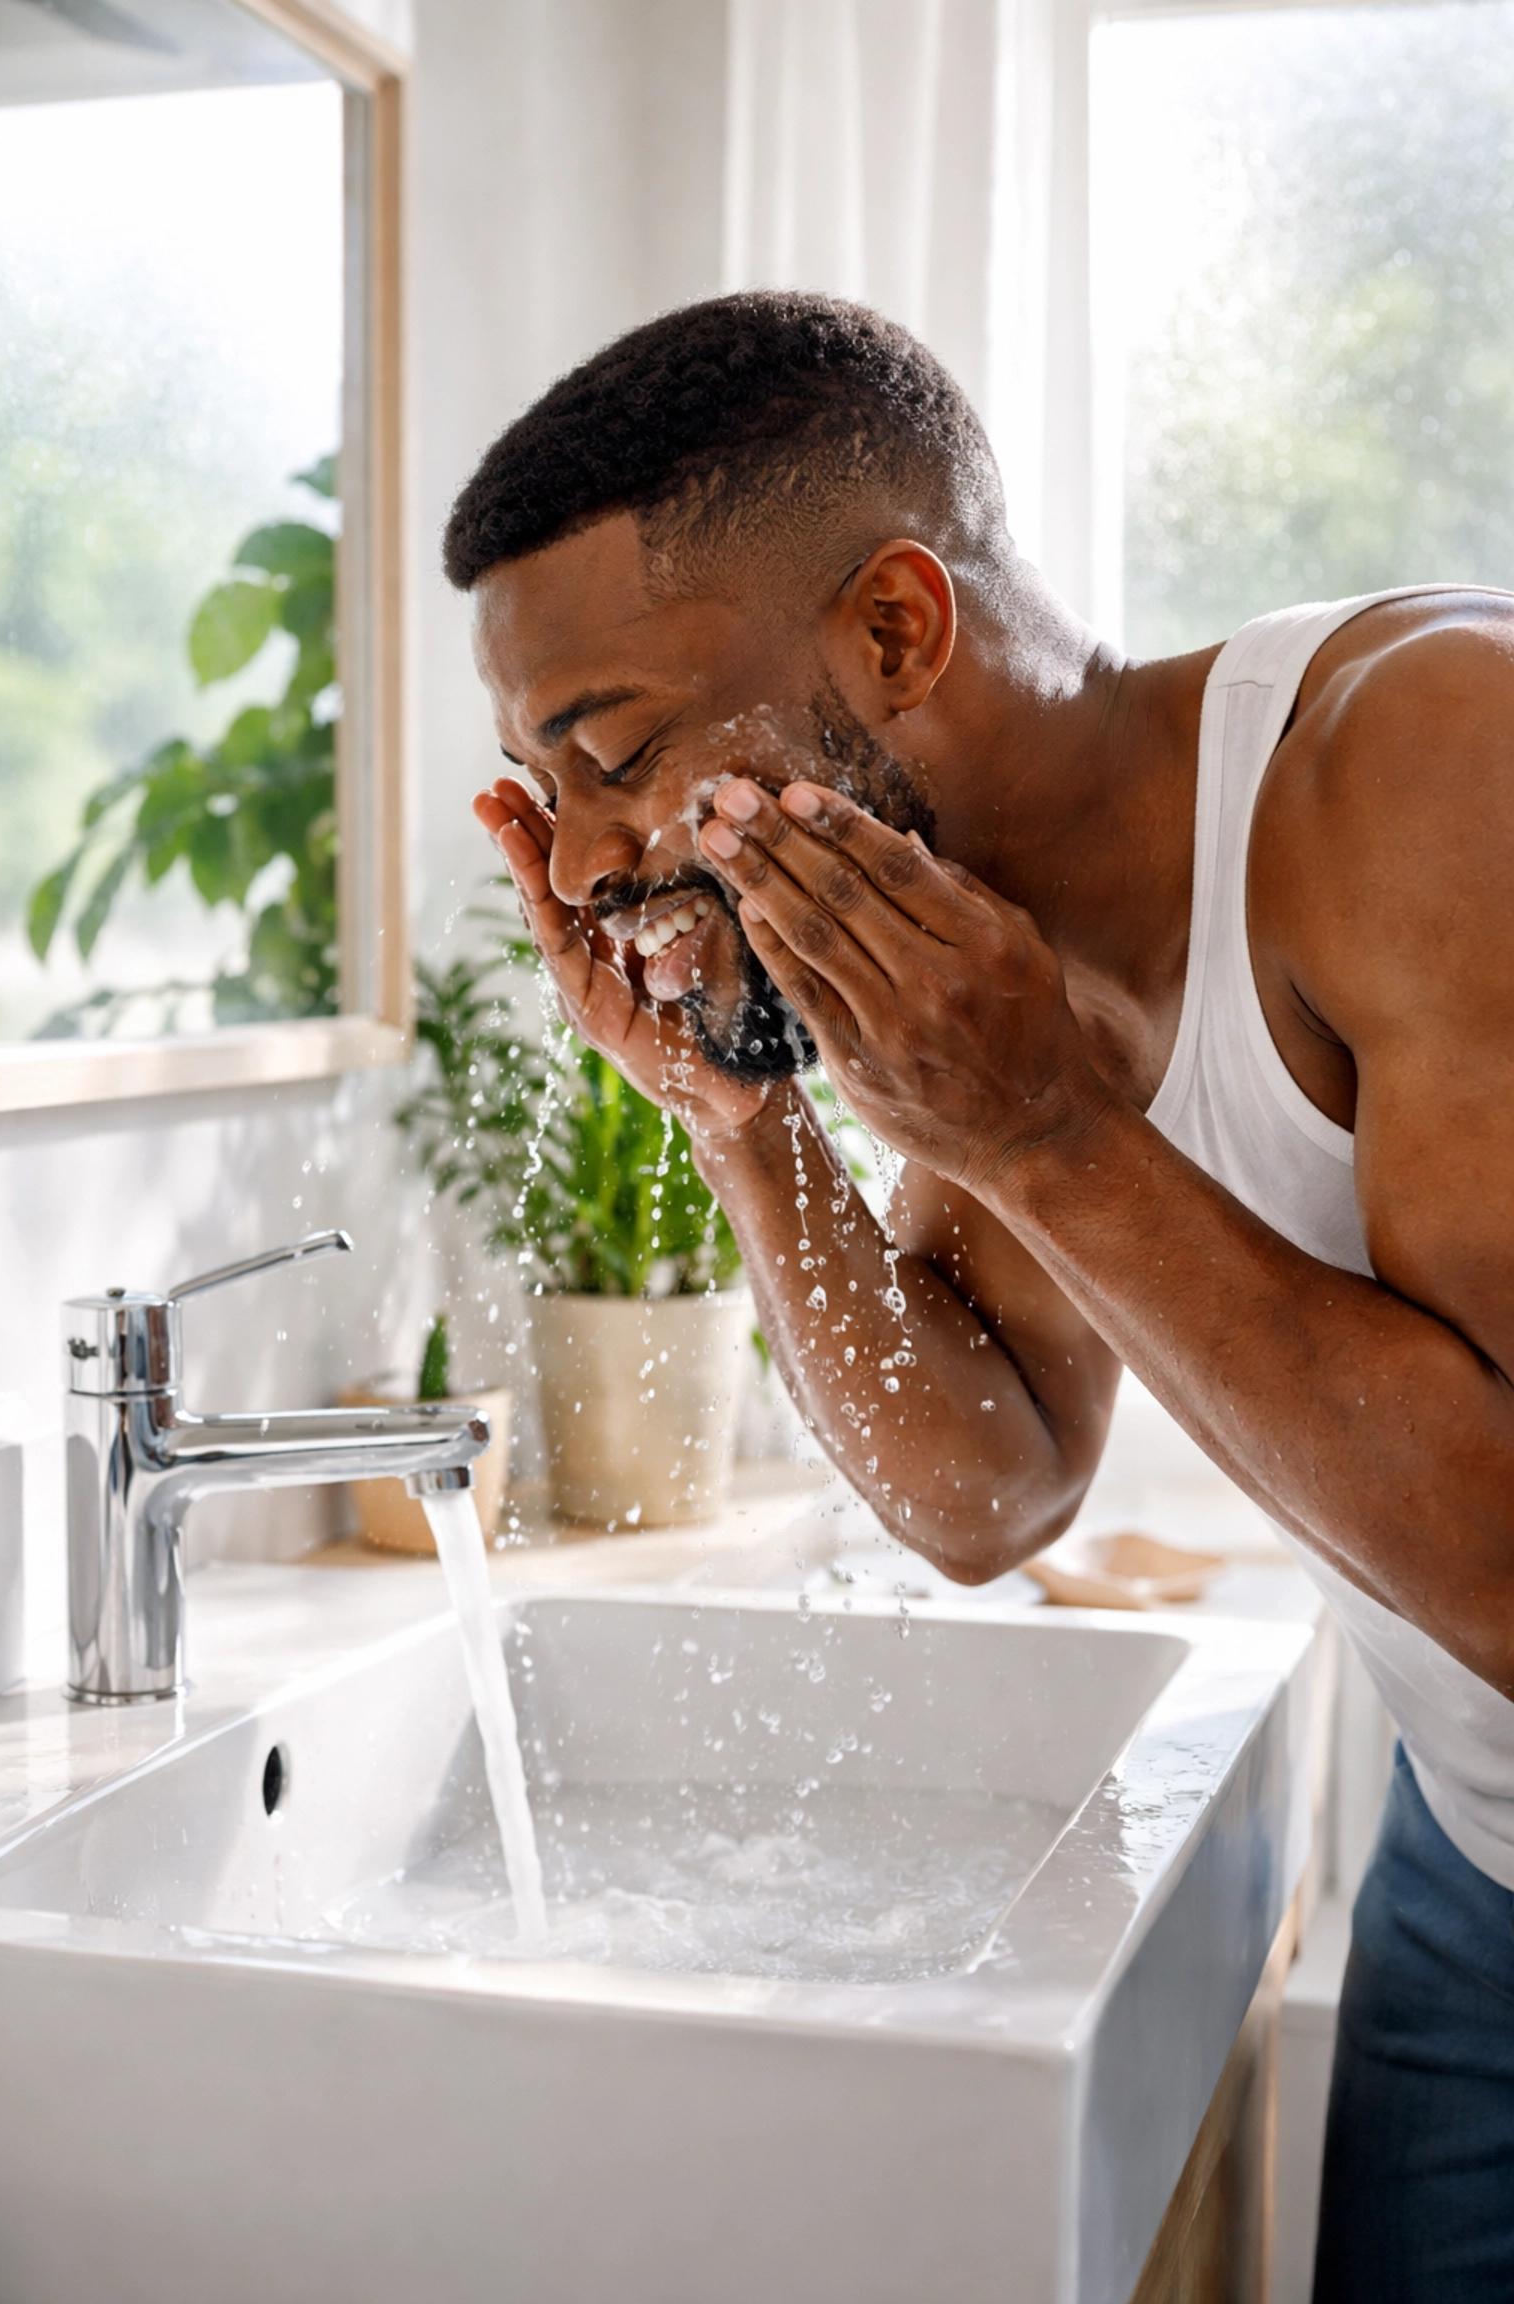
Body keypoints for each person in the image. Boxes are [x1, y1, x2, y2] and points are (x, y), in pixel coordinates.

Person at [447, 291, 1514, 2302]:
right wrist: (746, 1120)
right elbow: (989, 1492)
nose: (579, 860)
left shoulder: (1434, 761)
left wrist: (1044, 1138)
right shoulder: (976, 947)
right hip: (1480, 1862)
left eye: (619, 754)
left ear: (898, 633)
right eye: (539, 782)